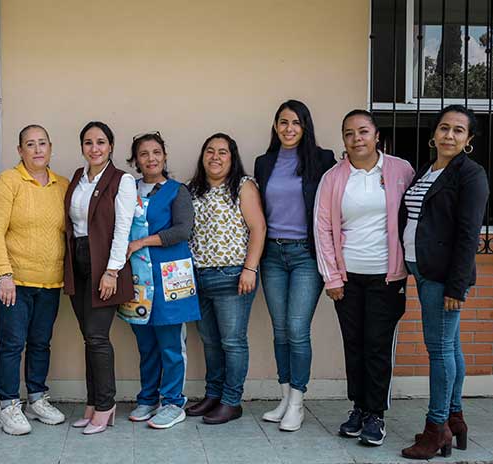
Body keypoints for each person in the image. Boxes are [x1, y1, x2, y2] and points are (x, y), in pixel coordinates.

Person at [314, 109, 414, 446]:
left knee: (378, 346)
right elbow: (323, 228)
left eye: (363, 131)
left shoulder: (401, 170)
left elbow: (415, 218)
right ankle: (358, 407)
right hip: (348, 278)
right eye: (349, 133)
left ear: (376, 136)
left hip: (387, 277)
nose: (357, 138)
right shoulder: (333, 177)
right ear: (344, 140)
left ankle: (376, 414)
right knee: (354, 345)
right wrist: (332, 278)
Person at [400, 105, 489, 460]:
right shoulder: (428, 170)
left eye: (457, 131)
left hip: (442, 277)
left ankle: (437, 428)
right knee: (449, 347)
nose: (449, 135)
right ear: (434, 133)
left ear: (468, 140)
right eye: (444, 128)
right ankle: (455, 419)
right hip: (421, 271)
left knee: (438, 350)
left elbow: (469, 235)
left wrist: (456, 286)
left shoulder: (471, 175)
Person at [254, 100, 336, 431]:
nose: (289, 129)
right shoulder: (264, 162)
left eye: (296, 123)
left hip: (305, 254)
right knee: (280, 330)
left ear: (305, 127)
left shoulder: (322, 159)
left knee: (297, 328)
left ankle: (298, 403)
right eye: (283, 122)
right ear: (275, 126)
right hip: (272, 254)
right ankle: (285, 396)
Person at [0, 125, 69, 435]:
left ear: (50, 148)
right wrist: (4, 274)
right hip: (14, 280)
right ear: (20, 151)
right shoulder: (8, 182)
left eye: (42, 143)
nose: (37, 150)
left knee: (40, 343)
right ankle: (8, 405)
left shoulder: (62, 185)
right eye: (30, 144)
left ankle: (36, 398)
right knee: (12, 343)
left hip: (50, 281)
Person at [120, 132, 200, 429]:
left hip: (169, 277)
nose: (151, 158)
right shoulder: (128, 190)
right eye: (144, 154)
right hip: (139, 278)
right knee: (146, 343)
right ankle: (148, 398)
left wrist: (142, 243)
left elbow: (182, 230)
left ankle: (173, 402)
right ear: (136, 160)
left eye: (156, 152)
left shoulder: (177, 191)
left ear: (164, 156)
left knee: (170, 343)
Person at [185, 133, 266, 424]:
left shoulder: (243, 186)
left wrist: (250, 269)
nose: (215, 157)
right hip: (198, 277)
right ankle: (213, 395)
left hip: (232, 275)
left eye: (223, 152)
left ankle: (232, 401)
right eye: (210, 151)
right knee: (209, 341)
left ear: (232, 158)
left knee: (232, 341)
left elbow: (258, 228)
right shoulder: (192, 189)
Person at [63, 121, 137, 435]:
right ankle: (93, 403)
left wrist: (111, 271)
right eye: (89, 142)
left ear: (111, 147)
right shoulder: (78, 179)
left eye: (101, 142)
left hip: (104, 265)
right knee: (89, 339)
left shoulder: (123, 181)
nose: (95, 148)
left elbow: (123, 229)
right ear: (82, 146)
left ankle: (105, 405)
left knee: (97, 337)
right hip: (77, 261)